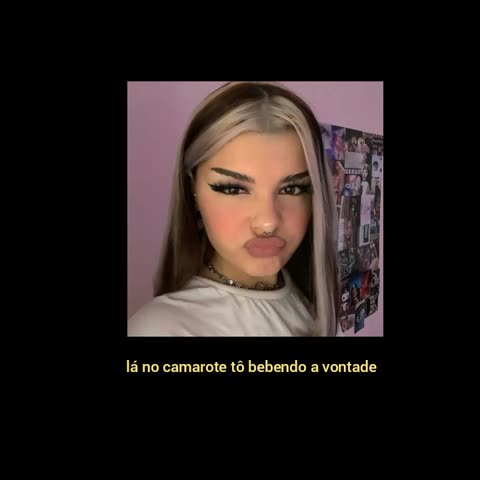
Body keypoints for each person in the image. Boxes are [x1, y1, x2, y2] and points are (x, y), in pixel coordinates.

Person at [128, 81, 341, 337]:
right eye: (233, 189)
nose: (267, 222)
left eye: (293, 188)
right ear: (192, 190)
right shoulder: (160, 329)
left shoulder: (311, 301)